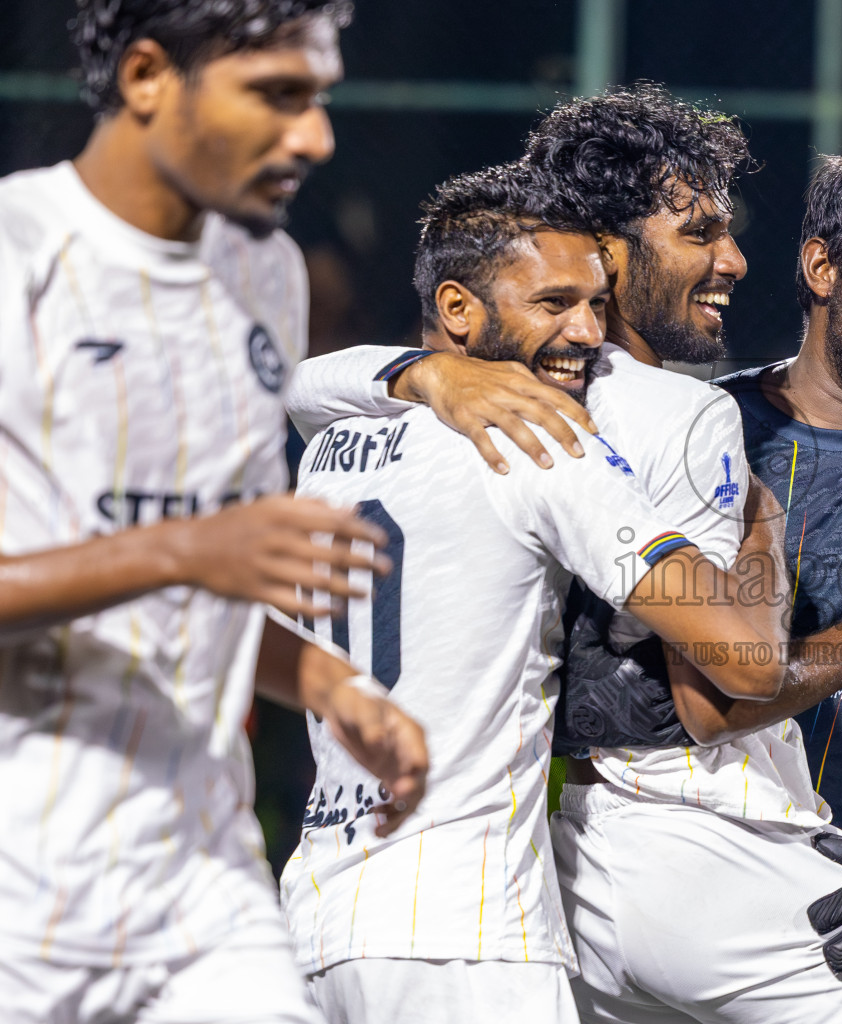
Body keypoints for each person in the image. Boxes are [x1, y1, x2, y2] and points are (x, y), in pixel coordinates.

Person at [282, 93, 842, 1022]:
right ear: (607, 248)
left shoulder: (388, 423)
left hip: (443, 874)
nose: (734, 259)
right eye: (700, 231)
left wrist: (420, 368)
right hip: (660, 851)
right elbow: (730, 685)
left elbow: (305, 387)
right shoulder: (615, 428)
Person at [0, 3, 432, 1022]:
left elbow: (206, 585)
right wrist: (190, 547)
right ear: (149, 78)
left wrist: (329, 681)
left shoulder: (263, 274)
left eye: (320, 96)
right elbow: (197, 554)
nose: (315, 136)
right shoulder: (19, 255)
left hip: (202, 874)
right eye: (277, 95)